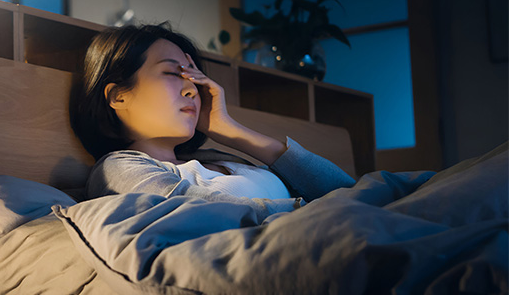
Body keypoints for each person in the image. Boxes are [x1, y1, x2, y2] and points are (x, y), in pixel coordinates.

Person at [70, 21, 358, 224]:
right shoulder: (118, 169)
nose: (191, 89)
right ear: (118, 96)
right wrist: (323, 209)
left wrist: (229, 130)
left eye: (193, 78)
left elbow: (346, 189)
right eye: (173, 73)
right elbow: (206, 212)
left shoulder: (214, 158)